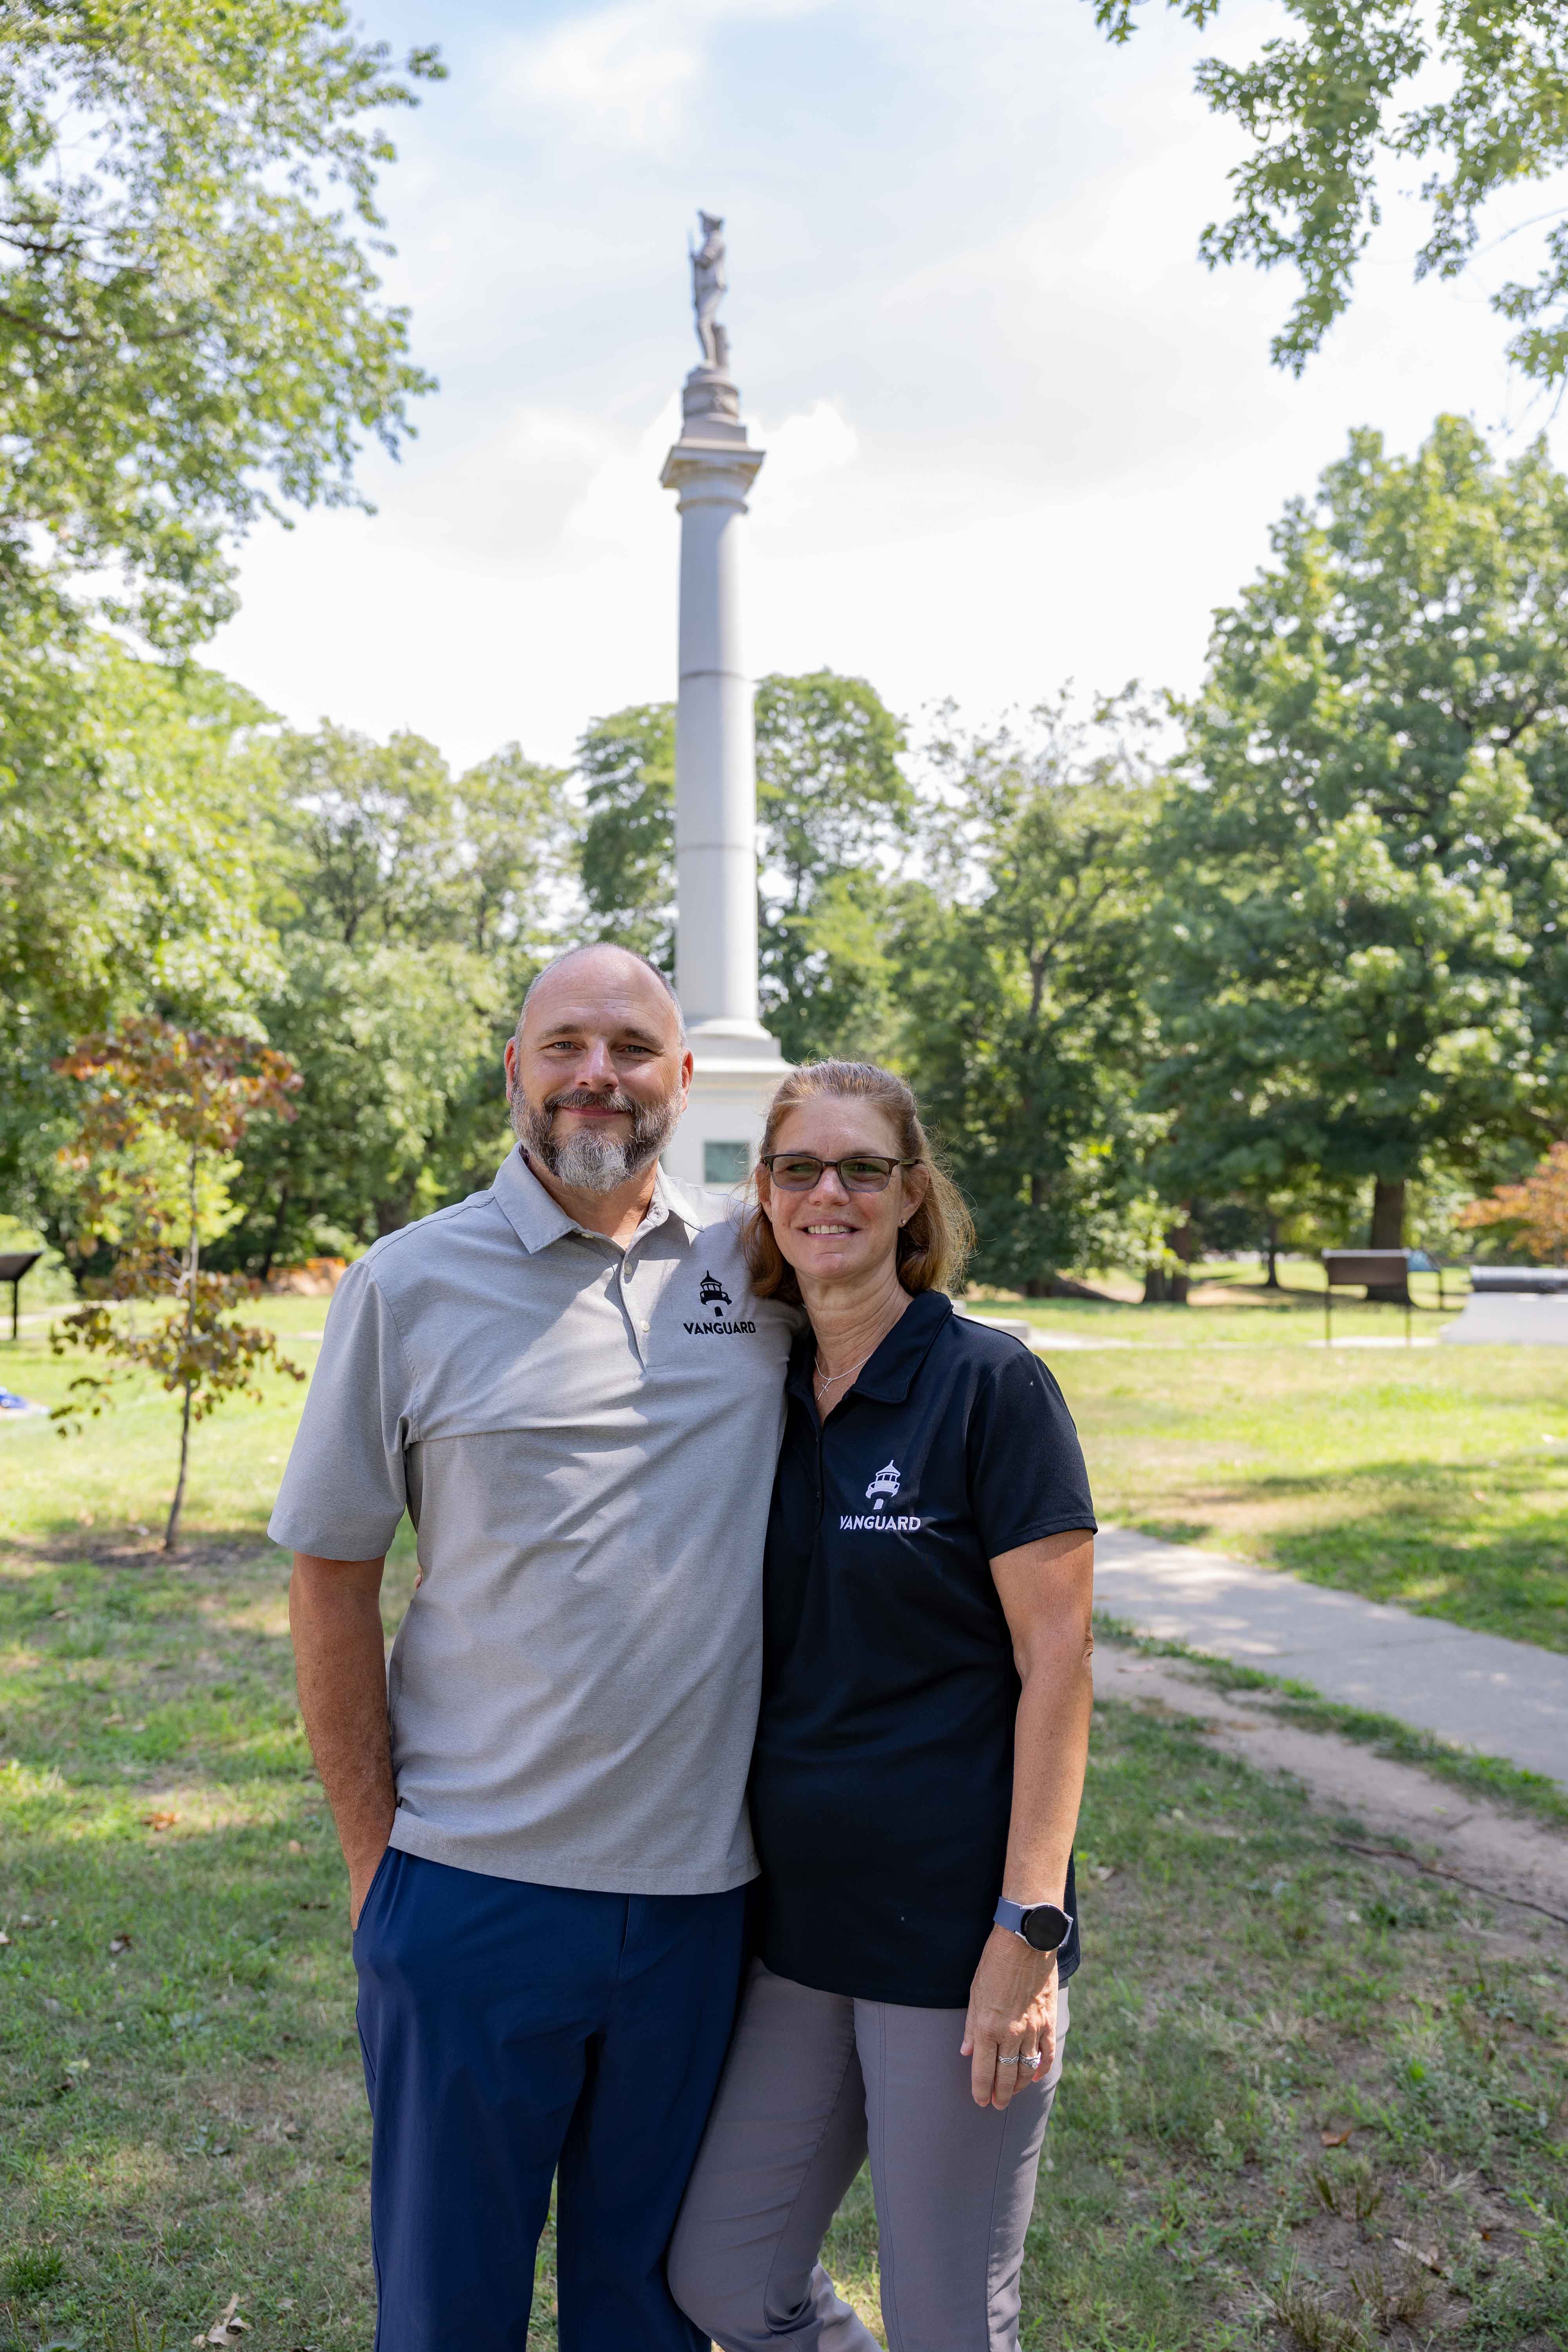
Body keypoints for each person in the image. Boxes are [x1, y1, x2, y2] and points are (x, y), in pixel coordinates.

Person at [272, 944, 799, 2352]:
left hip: (703, 1903)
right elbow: (331, 1576)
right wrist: (381, 1868)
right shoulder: (406, 1283)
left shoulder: (765, 1269)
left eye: (631, 1047)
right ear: (514, 1071)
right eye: (564, 1043)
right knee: (449, 2314)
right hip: (472, 1895)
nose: (596, 1075)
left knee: (651, 2311)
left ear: (682, 1080)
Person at [669, 1059, 1096, 2352]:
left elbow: (1061, 1662)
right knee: (726, 2282)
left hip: (955, 1939)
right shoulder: (756, 1396)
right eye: (799, 1168)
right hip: (796, 1935)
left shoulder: (987, 1386)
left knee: (951, 2321)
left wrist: (1028, 1929)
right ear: (765, 1192)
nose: (829, 1194)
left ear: (913, 1198)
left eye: (864, 1168)